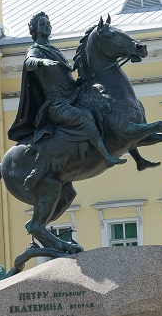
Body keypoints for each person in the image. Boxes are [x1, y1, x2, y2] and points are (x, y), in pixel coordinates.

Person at [8, 11, 126, 191]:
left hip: (72, 96)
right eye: (42, 24)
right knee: (85, 117)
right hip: (56, 105)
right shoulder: (36, 49)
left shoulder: (54, 50)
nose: (46, 26)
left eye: (48, 23)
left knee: (102, 103)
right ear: (35, 30)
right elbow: (28, 62)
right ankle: (105, 155)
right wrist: (41, 63)